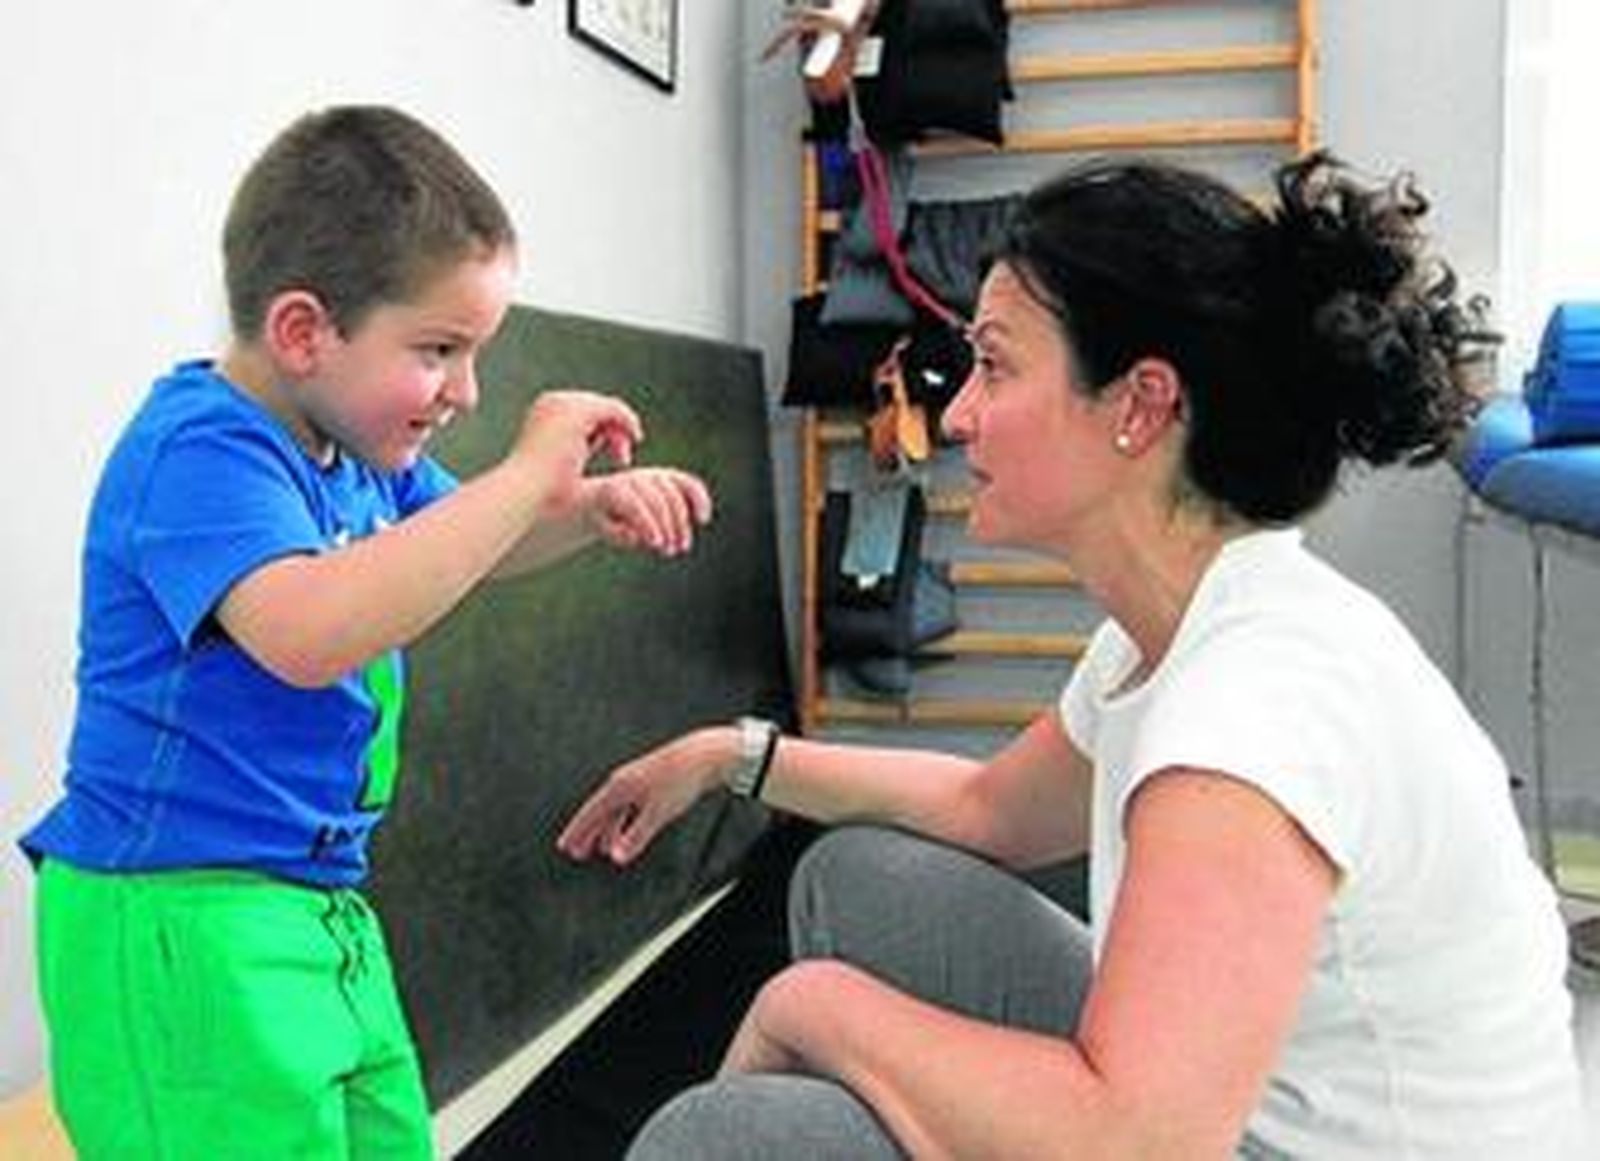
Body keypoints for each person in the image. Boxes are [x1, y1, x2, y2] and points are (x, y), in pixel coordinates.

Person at [558, 151, 1589, 1158]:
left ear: (1139, 404)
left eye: (995, 365)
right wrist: (729, 757)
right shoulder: (1184, 626)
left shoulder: (1249, 715)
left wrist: (812, 1009)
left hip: (1220, 1138)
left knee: (730, 1136)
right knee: (854, 879)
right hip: (1230, 1111)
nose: (957, 413)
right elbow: (989, 813)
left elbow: (1138, 1140)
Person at [20, 104, 712, 1159]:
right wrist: (528, 475)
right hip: (177, 913)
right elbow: (311, 631)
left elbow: (453, 543)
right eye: (439, 350)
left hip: (312, 901)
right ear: (304, 332)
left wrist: (578, 512)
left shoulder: (351, 457)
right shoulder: (202, 449)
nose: (466, 393)